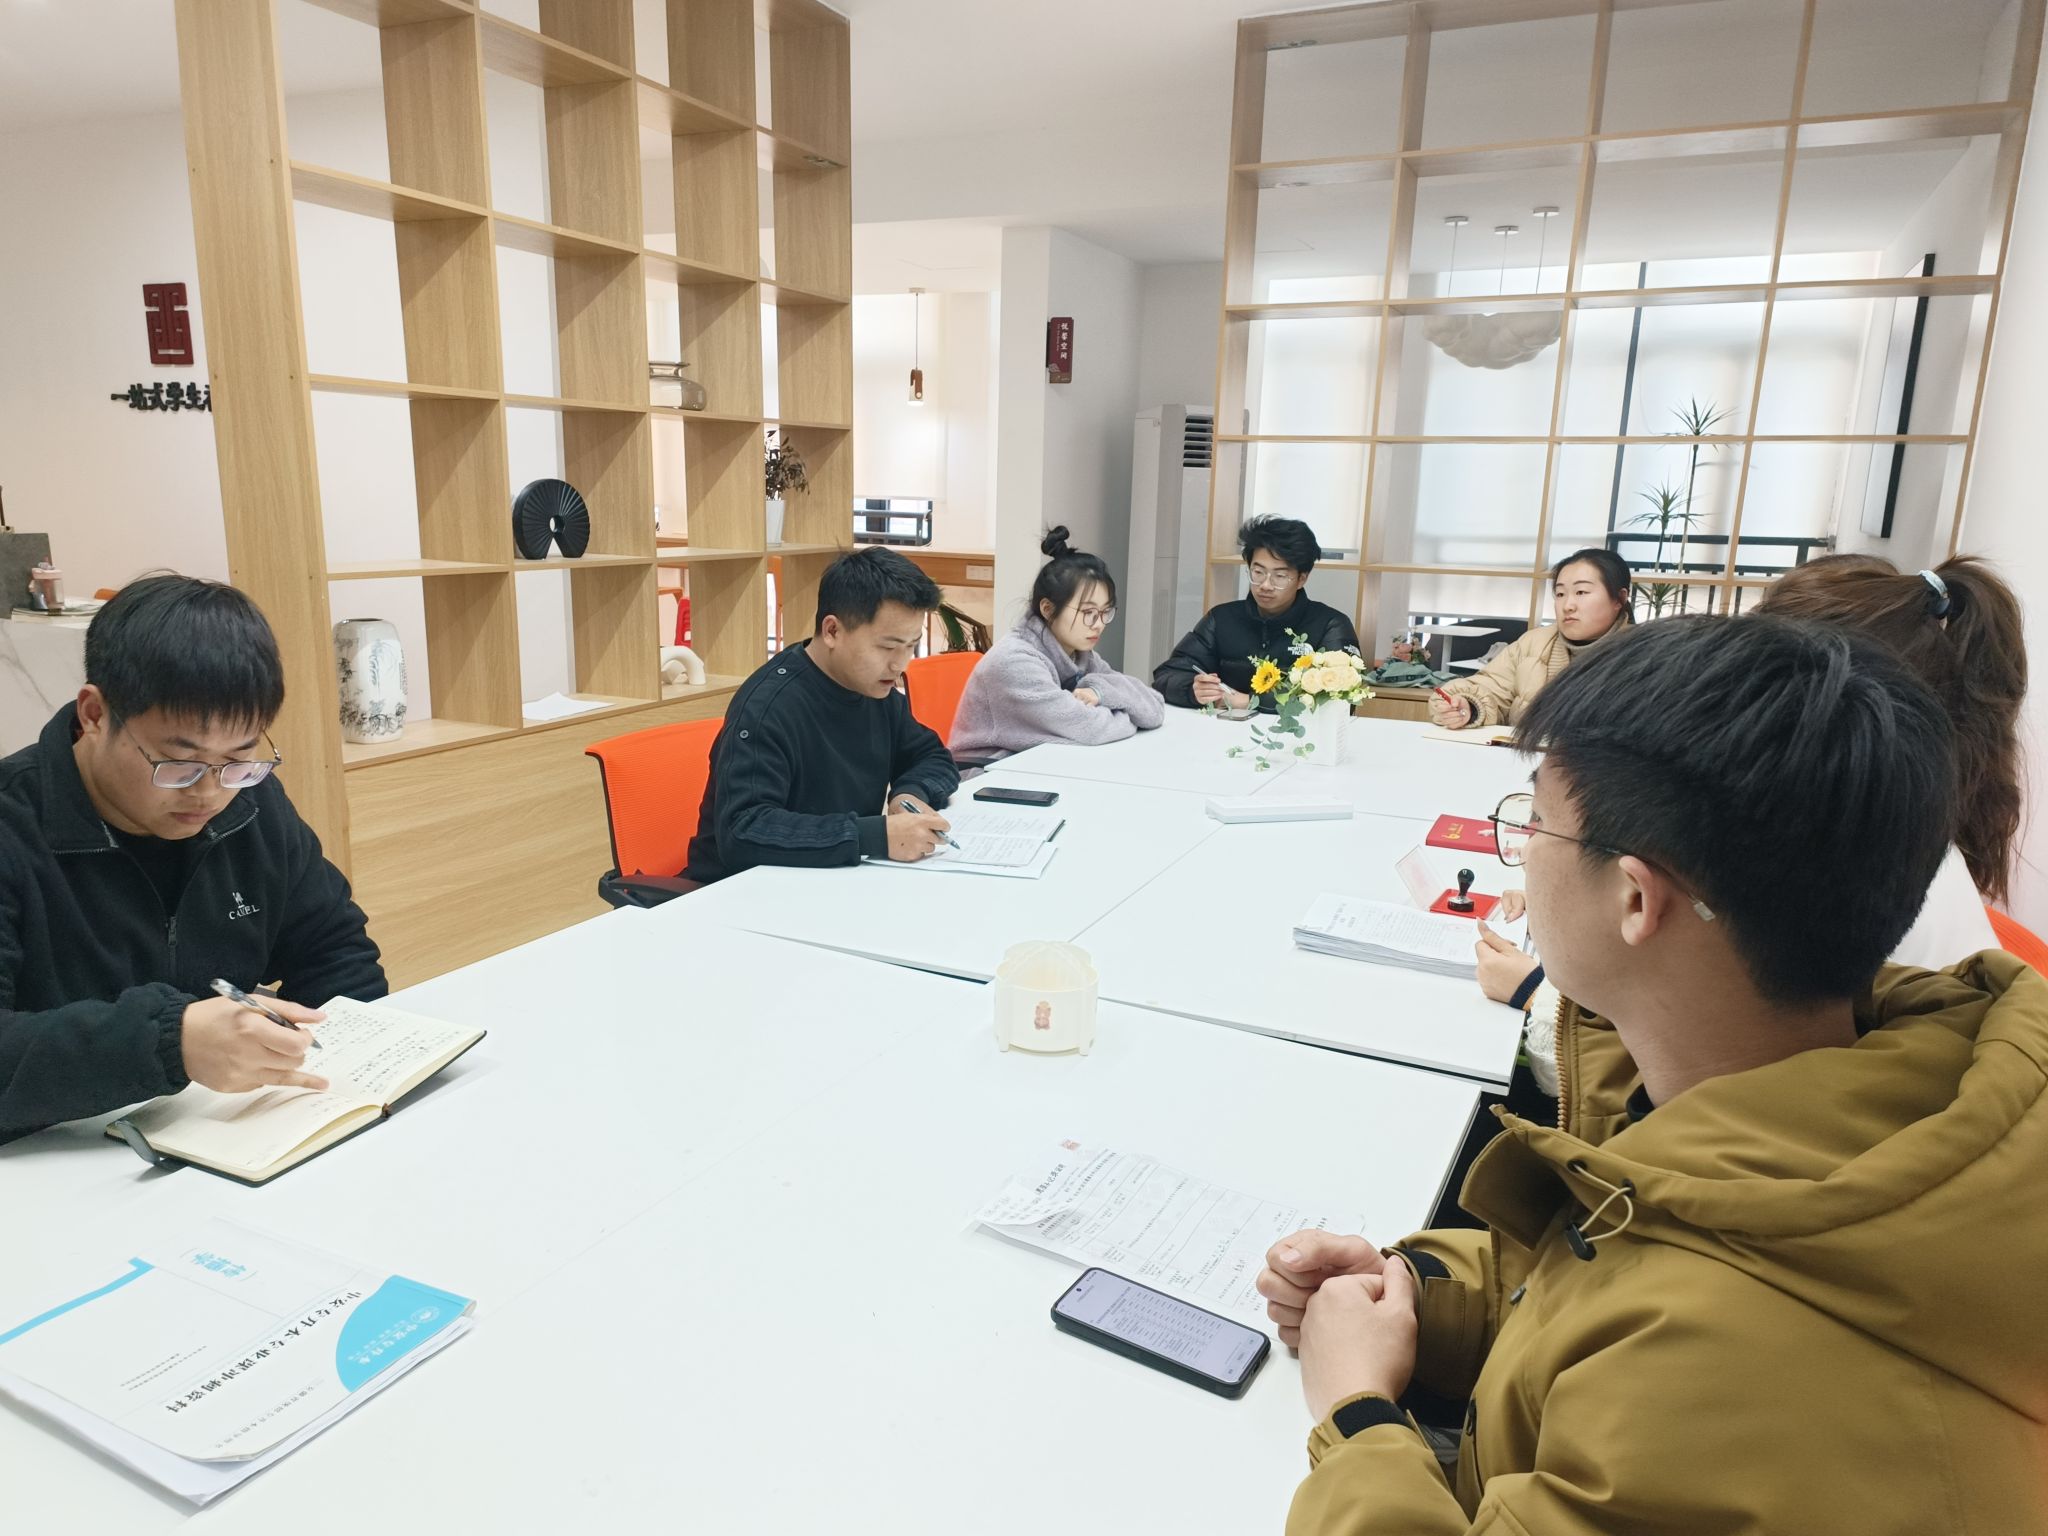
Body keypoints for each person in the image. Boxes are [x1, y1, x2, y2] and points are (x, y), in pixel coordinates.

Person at [1258, 613, 2048, 1534]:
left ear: (1636, 897)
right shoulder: (1865, 1095)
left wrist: (1356, 1410)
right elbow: (1603, 1271)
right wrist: (1418, 1294)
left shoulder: (1713, 1380)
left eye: (1536, 824)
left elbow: (1653, 1331)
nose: (1522, 849)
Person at [1473, 553, 2024, 1070]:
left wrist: (1541, 980)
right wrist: (1572, 886)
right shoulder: (1868, 825)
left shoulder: (1829, 853)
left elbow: (1708, 1044)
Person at [0, 575, 385, 1145]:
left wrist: (355, 1076)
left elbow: (336, 955)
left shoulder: (249, 801)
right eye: (178, 763)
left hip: (219, 1138)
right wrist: (168, 1041)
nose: (209, 793)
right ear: (95, 713)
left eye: (239, 756)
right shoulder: (14, 827)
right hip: (48, 1159)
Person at [682, 546, 960, 884]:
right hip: (741, 891)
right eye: (887, 647)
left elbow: (932, 757)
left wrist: (911, 794)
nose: (900, 664)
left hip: (830, 880)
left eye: (911, 646)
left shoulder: (874, 690)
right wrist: (875, 836)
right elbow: (745, 830)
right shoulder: (768, 708)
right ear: (832, 631)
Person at [948, 527, 1164, 760]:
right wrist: (1128, 715)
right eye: (1088, 613)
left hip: (1043, 763)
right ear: (1048, 609)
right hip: (989, 772)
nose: (1099, 624)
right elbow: (1091, 729)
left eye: (1105, 612)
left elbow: (1153, 707)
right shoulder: (1014, 662)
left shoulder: (1080, 655)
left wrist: (1099, 692)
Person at [1153, 516, 1359, 711]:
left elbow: (1343, 697)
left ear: (1301, 579)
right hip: (1222, 730)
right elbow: (1167, 676)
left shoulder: (1330, 625)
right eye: (1258, 572)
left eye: (1280, 576)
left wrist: (1249, 702)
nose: (1265, 585)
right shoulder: (1221, 619)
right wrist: (1193, 690)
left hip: (1295, 735)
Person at [1428, 548, 1631, 730]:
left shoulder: (1642, 656)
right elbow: (1489, 688)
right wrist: (1469, 707)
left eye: (1581, 592)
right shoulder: (1533, 643)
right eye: (1560, 594)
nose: (1568, 605)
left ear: (1619, 599)